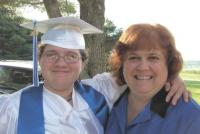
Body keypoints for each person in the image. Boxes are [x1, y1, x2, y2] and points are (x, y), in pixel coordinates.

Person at [0, 17, 189, 134]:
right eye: (51, 54)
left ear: (82, 62)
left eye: (71, 56)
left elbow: (138, 74)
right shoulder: (13, 107)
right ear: (40, 59)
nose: (61, 63)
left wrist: (171, 76)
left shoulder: (99, 91)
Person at [105, 23, 200, 134]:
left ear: (168, 64)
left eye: (153, 58)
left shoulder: (190, 116)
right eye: (134, 57)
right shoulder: (108, 101)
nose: (143, 67)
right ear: (122, 63)